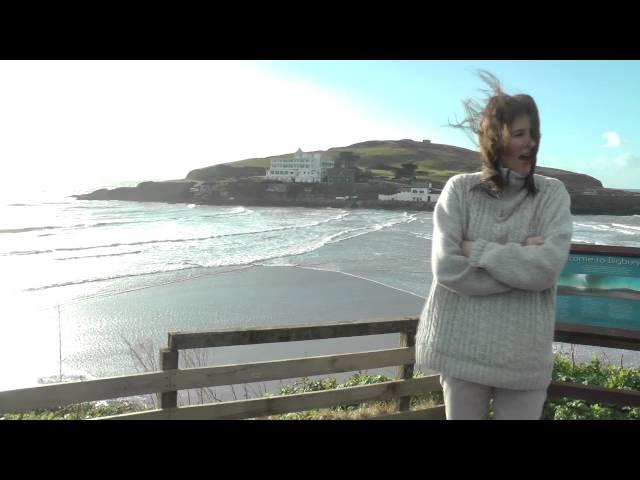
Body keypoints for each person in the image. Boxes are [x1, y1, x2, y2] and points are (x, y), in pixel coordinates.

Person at [415, 71, 573, 420]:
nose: (530, 143)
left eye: (533, 134)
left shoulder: (551, 195)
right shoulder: (459, 190)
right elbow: (448, 269)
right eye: (519, 134)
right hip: (460, 350)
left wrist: (479, 251)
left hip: (523, 359)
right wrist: (521, 259)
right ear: (493, 140)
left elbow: (545, 270)